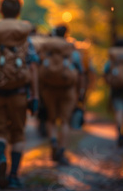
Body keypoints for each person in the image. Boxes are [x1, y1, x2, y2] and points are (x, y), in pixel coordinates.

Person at [0, 0, 39, 189]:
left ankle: (0, 158)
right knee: (18, 133)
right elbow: (32, 66)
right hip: (19, 92)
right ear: (18, 12)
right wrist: (35, 95)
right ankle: (14, 175)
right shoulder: (24, 36)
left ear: (1, 10)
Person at [39, 25, 84, 165]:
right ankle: (62, 150)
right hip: (68, 89)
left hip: (48, 89)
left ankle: (53, 141)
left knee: (51, 119)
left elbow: (38, 68)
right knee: (65, 121)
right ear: (66, 34)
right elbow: (80, 72)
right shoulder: (71, 50)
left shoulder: (46, 49)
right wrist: (81, 91)